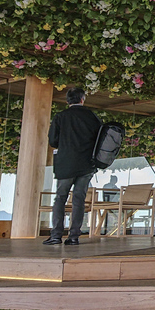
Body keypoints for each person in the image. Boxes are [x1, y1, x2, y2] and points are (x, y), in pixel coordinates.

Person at [43, 87, 102, 246]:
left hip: (65, 164)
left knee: (60, 198)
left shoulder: (61, 117)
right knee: (79, 199)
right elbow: (100, 140)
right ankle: (74, 236)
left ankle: (56, 235)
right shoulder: (92, 117)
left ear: (67, 101)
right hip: (86, 164)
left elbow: (53, 141)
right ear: (82, 99)